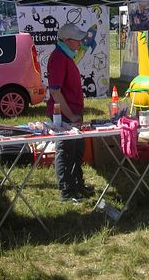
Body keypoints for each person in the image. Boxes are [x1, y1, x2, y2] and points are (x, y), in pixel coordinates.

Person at [47, 23, 93, 203]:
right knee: (66, 150)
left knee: (77, 150)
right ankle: (67, 191)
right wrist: (72, 116)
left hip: (72, 112)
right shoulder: (58, 57)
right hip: (64, 114)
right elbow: (55, 91)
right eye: (77, 39)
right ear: (66, 41)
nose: (80, 42)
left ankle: (77, 184)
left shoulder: (65, 55)